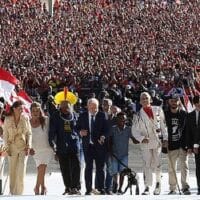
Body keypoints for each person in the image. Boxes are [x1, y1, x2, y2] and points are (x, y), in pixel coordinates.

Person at [132, 92, 168, 195]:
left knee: (157, 164)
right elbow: (134, 130)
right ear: (140, 101)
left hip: (157, 140)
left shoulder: (158, 110)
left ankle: (158, 184)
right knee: (146, 164)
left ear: (150, 100)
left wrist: (165, 139)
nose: (144, 100)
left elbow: (163, 125)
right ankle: (147, 186)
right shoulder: (137, 114)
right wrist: (141, 138)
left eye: (146, 98)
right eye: (142, 98)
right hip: (145, 142)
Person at [77, 98, 108, 195]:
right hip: (88, 146)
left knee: (100, 168)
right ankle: (88, 189)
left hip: (99, 146)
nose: (94, 109)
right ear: (88, 107)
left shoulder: (102, 115)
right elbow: (76, 127)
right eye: (91, 107)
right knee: (88, 167)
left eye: (95, 108)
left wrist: (103, 136)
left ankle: (101, 189)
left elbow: (107, 129)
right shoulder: (82, 116)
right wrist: (80, 132)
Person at [49, 100, 81, 195]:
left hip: (74, 144)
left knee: (76, 166)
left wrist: (80, 134)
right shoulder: (56, 116)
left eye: (68, 106)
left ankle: (75, 187)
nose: (66, 109)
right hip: (62, 145)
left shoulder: (75, 115)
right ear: (60, 107)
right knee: (64, 168)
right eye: (64, 107)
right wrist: (53, 144)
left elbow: (79, 128)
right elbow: (52, 132)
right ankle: (68, 187)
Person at [3, 100, 32, 195]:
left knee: (21, 170)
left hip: (23, 147)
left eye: (22, 108)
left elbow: (29, 133)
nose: (22, 110)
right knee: (12, 170)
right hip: (12, 148)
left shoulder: (26, 118)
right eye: (20, 108)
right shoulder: (7, 119)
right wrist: (6, 149)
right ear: (14, 109)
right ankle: (12, 192)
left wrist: (29, 146)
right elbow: (5, 135)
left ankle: (19, 193)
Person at [164, 94, 190, 195]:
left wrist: (188, 145)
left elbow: (187, 131)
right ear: (169, 102)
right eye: (172, 101)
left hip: (183, 145)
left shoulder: (184, 114)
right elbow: (162, 129)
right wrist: (164, 141)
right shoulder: (165, 114)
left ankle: (185, 187)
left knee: (184, 167)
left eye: (176, 101)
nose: (174, 102)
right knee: (171, 168)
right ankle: (173, 188)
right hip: (171, 145)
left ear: (179, 102)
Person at [109, 112, 136, 194]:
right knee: (114, 172)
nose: (122, 120)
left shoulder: (128, 129)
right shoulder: (113, 129)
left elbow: (134, 139)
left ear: (126, 120)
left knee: (123, 173)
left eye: (123, 119)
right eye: (120, 118)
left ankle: (120, 188)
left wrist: (142, 139)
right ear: (117, 119)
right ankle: (115, 184)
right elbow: (110, 140)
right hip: (114, 154)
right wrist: (110, 151)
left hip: (124, 155)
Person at [30, 102, 54, 195]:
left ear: (40, 111)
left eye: (37, 110)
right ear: (30, 111)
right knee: (40, 169)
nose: (35, 112)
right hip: (35, 150)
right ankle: (43, 186)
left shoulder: (46, 120)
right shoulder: (28, 122)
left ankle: (36, 187)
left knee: (42, 167)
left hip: (47, 149)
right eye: (33, 111)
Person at [186, 95, 200, 195]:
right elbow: (188, 132)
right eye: (198, 103)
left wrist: (196, 144)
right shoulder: (190, 115)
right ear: (195, 104)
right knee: (198, 168)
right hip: (195, 148)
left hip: (197, 145)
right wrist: (190, 147)